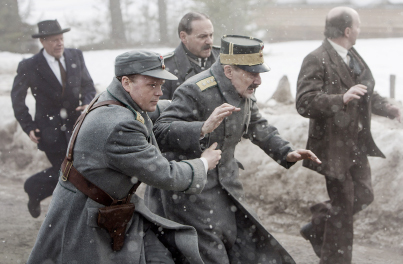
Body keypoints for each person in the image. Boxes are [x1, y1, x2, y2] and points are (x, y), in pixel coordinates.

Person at [27, 50, 222, 263]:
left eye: (160, 85)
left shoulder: (112, 99)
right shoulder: (121, 125)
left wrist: (189, 107)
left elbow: (148, 113)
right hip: (85, 218)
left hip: (94, 208)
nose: (159, 92)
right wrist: (204, 163)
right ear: (127, 82)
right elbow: (166, 174)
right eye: (152, 85)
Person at [147, 35, 322, 264]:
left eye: (259, 73)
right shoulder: (194, 90)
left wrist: (285, 151)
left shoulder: (244, 88)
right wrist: (202, 128)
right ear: (229, 71)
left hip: (228, 187)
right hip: (192, 193)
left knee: (245, 248)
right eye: (252, 73)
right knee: (210, 254)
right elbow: (160, 131)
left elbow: (257, 124)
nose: (258, 81)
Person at [296, 7, 401, 264]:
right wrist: (339, 99)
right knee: (343, 211)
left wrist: (389, 108)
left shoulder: (353, 56)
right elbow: (304, 102)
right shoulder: (316, 58)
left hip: (356, 145)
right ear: (347, 30)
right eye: (358, 25)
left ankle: (318, 224)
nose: (360, 29)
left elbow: (366, 93)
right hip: (332, 147)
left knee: (364, 195)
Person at [10, 19, 96, 218]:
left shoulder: (76, 56)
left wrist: (88, 103)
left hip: (77, 127)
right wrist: (28, 126)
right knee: (70, 174)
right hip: (49, 130)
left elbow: (89, 86)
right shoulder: (30, 66)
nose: (59, 43)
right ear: (42, 41)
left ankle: (34, 188)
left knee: (73, 173)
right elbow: (17, 99)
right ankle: (71, 218)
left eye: (61, 38)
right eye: (54, 40)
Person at [161, 12, 220, 99]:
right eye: (202, 36)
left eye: (211, 35)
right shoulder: (165, 68)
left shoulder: (224, 58)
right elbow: (161, 109)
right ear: (184, 37)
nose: (209, 41)